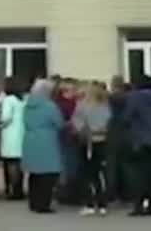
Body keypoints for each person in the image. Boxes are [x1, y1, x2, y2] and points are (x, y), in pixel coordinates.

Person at [122, 75, 151, 217]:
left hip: (139, 140)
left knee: (138, 176)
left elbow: (127, 117)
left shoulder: (134, 97)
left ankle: (138, 206)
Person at [22, 79, 64, 214]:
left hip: (30, 139)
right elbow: (59, 123)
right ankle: (43, 204)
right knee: (47, 175)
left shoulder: (27, 105)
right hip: (47, 141)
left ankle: (33, 202)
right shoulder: (50, 106)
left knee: (34, 174)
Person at [72, 81, 111, 215]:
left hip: (87, 142)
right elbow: (107, 124)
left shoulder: (82, 106)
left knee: (87, 174)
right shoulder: (105, 106)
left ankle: (89, 203)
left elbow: (77, 124)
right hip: (101, 142)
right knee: (99, 173)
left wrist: (84, 130)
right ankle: (102, 204)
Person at [0, 79, 25, 200]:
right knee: (18, 164)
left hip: (10, 134)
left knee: (10, 163)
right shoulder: (23, 100)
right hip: (21, 134)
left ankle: (12, 189)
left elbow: (6, 117)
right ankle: (19, 188)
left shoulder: (8, 100)